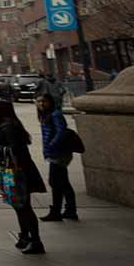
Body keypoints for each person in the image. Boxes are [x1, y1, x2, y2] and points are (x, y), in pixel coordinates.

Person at [0, 99, 47, 253]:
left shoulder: (8, 127)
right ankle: (25, 236)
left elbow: (14, 149)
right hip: (10, 171)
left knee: (23, 206)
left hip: (16, 172)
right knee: (17, 204)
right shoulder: (9, 125)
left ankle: (35, 240)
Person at [37, 94, 79, 222]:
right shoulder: (46, 115)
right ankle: (70, 210)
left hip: (59, 153)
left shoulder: (55, 114)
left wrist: (51, 145)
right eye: (39, 101)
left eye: (44, 101)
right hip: (55, 153)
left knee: (55, 183)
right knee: (63, 182)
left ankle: (56, 211)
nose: (41, 104)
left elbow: (61, 131)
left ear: (50, 102)